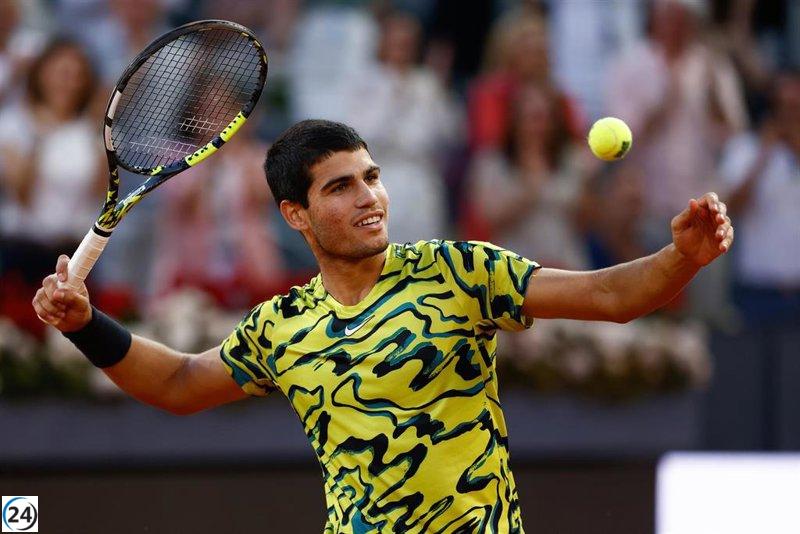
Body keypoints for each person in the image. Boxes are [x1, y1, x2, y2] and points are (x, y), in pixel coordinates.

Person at [33, 120, 734, 532]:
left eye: (371, 176)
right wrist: (89, 327)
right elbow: (181, 383)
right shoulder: (282, 325)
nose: (369, 198)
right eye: (341, 186)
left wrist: (683, 257)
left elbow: (610, 296)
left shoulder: (457, 272)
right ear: (295, 215)